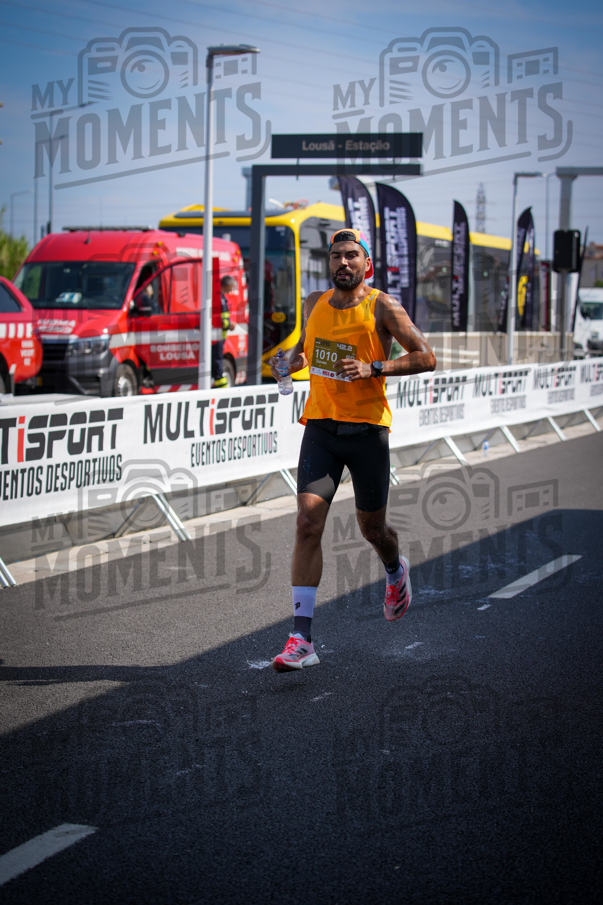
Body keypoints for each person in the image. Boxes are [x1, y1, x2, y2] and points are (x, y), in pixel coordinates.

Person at [269, 228, 436, 672]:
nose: (342, 263)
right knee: (307, 522)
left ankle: (395, 570)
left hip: (367, 433)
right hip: (321, 427)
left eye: (351, 256)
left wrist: (374, 366)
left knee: (373, 530)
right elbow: (309, 353)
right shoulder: (315, 304)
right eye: (336, 256)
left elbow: (426, 356)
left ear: (367, 265)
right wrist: (292, 364)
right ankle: (301, 638)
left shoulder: (382, 305)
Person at [212, 274, 236, 388]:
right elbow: (216, 319)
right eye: (231, 287)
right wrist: (229, 325)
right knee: (217, 364)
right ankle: (221, 391)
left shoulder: (221, 297)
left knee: (218, 362)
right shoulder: (218, 298)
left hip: (219, 337)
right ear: (227, 285)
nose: (232, 289)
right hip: (216, 337)